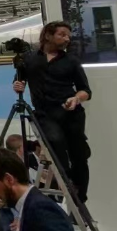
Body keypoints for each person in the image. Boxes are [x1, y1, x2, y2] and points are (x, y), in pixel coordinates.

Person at [15, 20, 92, 202]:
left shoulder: (71, 61)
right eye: (62, 35)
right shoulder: (29, 59)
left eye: (68, 36)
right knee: (56, 141)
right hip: (45, 114)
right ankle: (67, 182)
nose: (67, 39)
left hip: (71, 114)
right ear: (48, 35)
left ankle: (80, 197)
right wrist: (18, 85)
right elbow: (19, 81)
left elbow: (85, 91)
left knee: (79, 155)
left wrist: (76, 98)